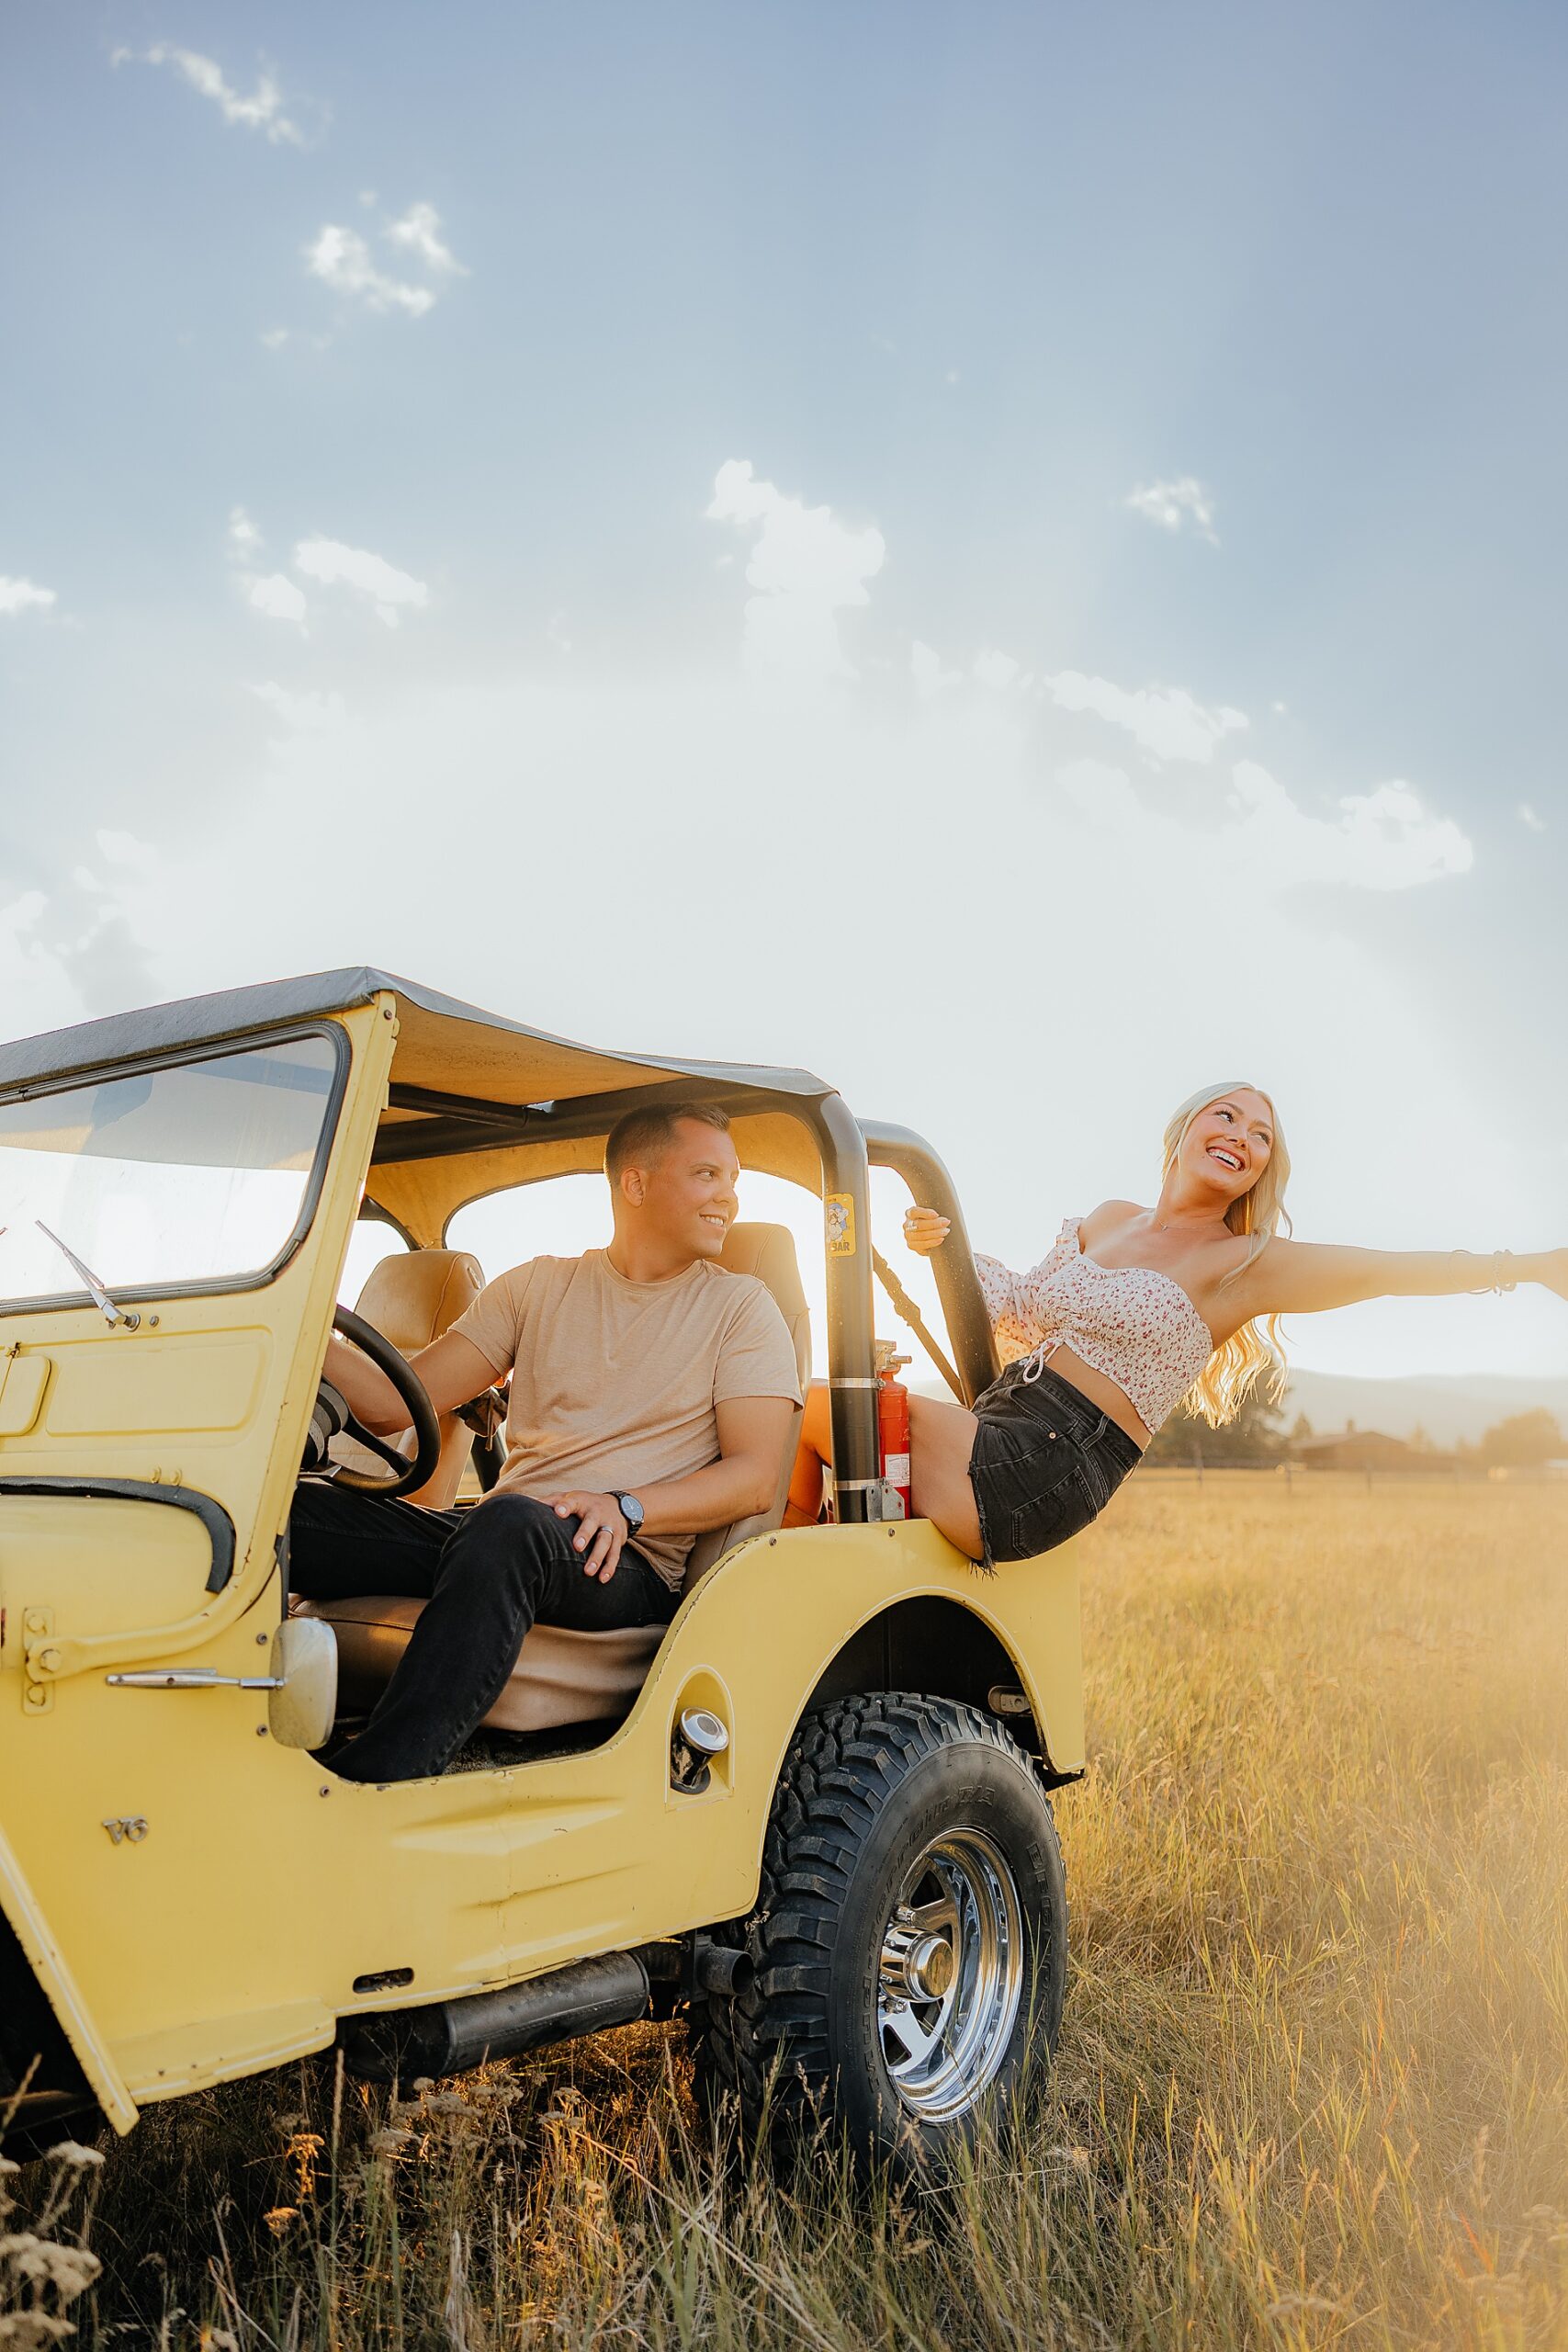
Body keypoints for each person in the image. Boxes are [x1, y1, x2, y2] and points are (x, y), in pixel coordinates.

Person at [791, 1082, 1568, 1569]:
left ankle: (745, 1574)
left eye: (1261, 1135)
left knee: (822, 1405)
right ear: (1183, 1132)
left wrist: (1526, 1266)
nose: (1242, 1135)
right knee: (813, 1418)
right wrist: (943, 1243)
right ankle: (760, 1561)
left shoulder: (1241, 1262)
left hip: (1052, 1462)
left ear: (1262, 1169)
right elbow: (1019, 1303)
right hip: (995, 1418)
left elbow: (1379, 1270)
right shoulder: (1106, 1219)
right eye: (1225, 1115)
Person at [290, 1103, 801, 1781]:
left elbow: (753, 1478)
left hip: (621, 1556)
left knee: (507, 1524)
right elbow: (391, 1404)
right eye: (707, 1173)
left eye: (731, 1178)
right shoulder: (536, 1285)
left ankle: (380, 1780)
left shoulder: (741, 1307)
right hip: (504, 1538)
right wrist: (302, 1313)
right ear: (636, 1183)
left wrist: (625, 1507)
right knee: (282, 1512)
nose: (728, 1195)